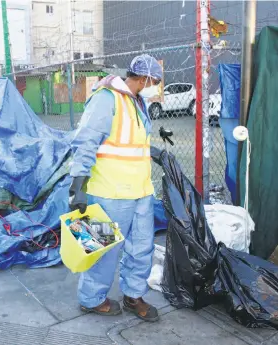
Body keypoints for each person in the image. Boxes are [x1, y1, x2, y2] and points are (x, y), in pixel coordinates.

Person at [69, 55, 163, 322]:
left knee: (142, 248)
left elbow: (129, 141)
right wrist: (78, 184)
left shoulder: (138, 101)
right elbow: (85, 142)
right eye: (154, 82)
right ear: (143, 79)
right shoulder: (106, 98)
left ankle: (134, 294)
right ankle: (91, 299)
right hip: (108, 191)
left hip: (141, 190)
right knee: (101, 250)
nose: (156, 87)